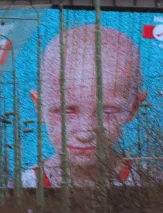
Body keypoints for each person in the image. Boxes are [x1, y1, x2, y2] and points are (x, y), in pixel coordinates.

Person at [24, 24, 146, 189]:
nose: (85, 133)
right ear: (39, 107)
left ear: (133, 108)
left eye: (107, 112)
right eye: (66, 111)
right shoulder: (23, 185)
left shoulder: (151, 180)